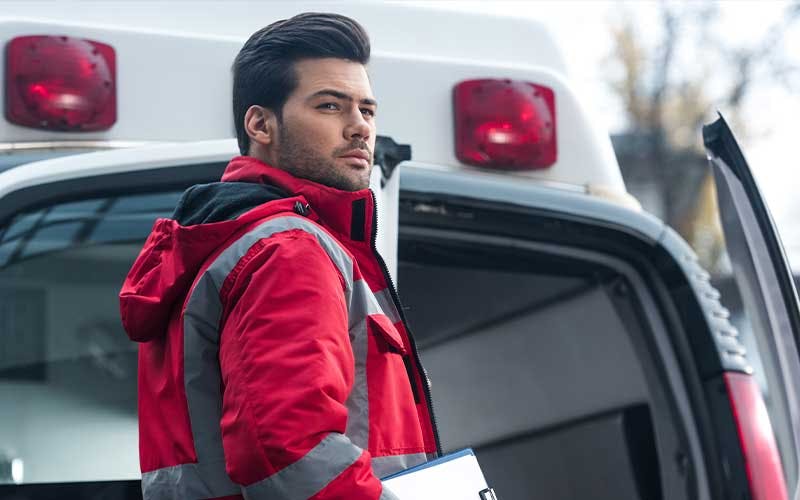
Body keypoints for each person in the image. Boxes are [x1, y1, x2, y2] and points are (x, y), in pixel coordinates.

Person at [119, 12, 439, 500]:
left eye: (367, 111)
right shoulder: (287, 248)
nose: (359, 129)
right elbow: (288, 449)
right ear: (260, 124)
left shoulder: (238, 240)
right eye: (331, 106)